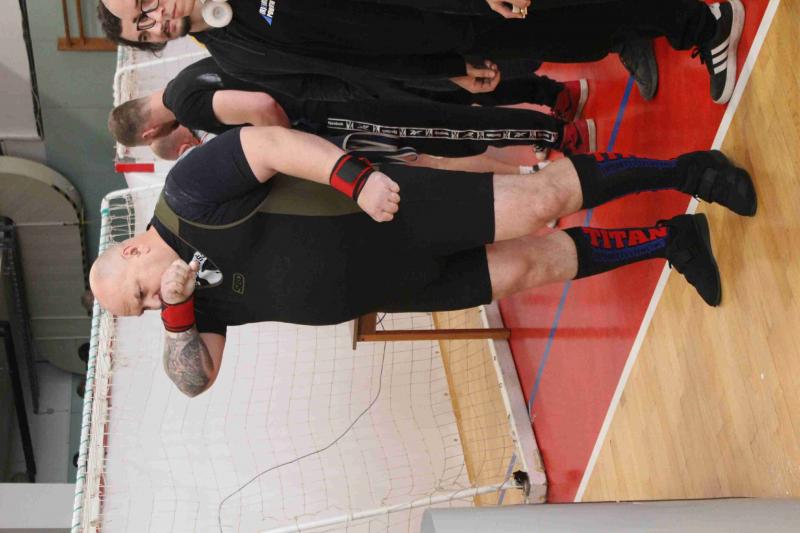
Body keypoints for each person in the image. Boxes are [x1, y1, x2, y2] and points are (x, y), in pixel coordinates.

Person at [90, 126, 756, 397]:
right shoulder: (189, 309)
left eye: (138, 293)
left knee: (540, 201)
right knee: (532, 267)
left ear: (133, 250)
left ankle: (689, 170)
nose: (150, 306)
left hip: (391, 211)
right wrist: (175, 312)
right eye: (141, 310)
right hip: (402, 284)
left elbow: (264, 143)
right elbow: (195, 379)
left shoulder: (187, 197)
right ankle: (672, 240)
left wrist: (354, 178)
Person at [98, 0, 743, 104]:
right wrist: (443, 76)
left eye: (145, 5)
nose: (155, 20)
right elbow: (337, 79)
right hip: (451, 42)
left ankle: (705, 23)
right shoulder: (235, 59)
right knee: (572, 36)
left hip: (452, 4)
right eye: (143, 29)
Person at [111, 57, 595, 158]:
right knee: (449, 92)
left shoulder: (189, 104)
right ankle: (556, 94)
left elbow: (258, 104)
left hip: (331, 106)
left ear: (148, 134)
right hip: (342, 78)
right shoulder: (185, 76)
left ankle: (557, 133)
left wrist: (289, 143)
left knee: (443, 124)